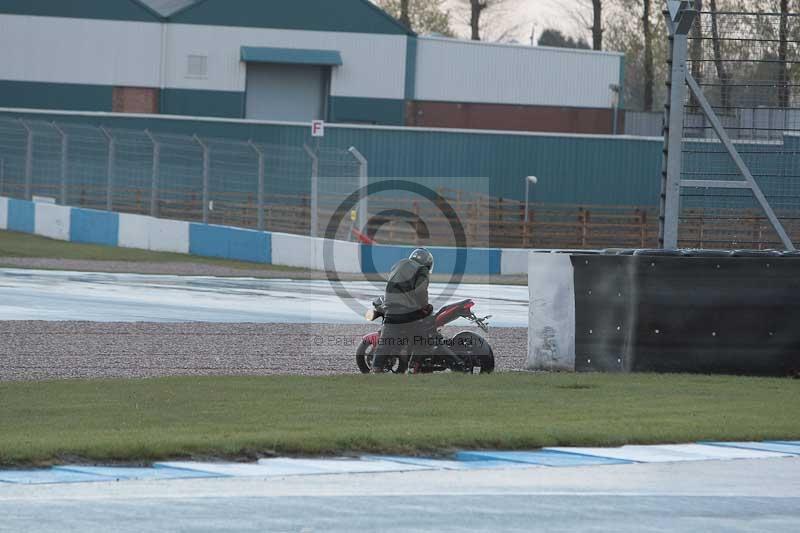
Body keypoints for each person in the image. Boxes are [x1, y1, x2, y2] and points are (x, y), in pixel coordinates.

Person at [371, 248, 463, 373]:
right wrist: (425, 307)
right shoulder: (422, 269)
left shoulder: (397, 265)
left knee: (385, 342)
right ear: (428, 263)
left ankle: (376, 369)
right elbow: (420, 291)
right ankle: (414, 367)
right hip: (408, 312)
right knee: (423, 339)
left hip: (391, 310)